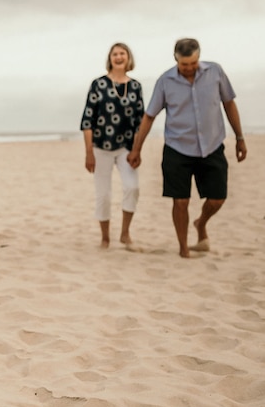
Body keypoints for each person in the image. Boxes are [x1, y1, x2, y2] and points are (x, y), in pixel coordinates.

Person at [127, 38, 247, 258]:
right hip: (177, 148)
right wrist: (137, 149)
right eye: (184, 65)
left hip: (212, 146)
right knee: (180, 201)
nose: (189, 68)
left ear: (198, 57)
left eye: (193, 63)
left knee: (217, 199)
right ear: (176, 59)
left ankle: (201, 224)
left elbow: (229, 103)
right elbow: (149, 116)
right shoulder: (165, 81)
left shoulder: (215, 72)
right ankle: (183, 248)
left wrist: (240, 137)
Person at [80, 43, 145, 250]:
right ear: (110, 58)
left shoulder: (135, 86)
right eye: (115, 54)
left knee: (132, 187)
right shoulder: (98, 84)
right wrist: (89, 152)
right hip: (100, 147)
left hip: (126, 147)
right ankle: (105, 237)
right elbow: (87, 120)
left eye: (122, 53)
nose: (118, 57)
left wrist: (137, 150)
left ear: (128, 58)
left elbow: (140, 122)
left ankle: (125, 234)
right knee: (104, 194)